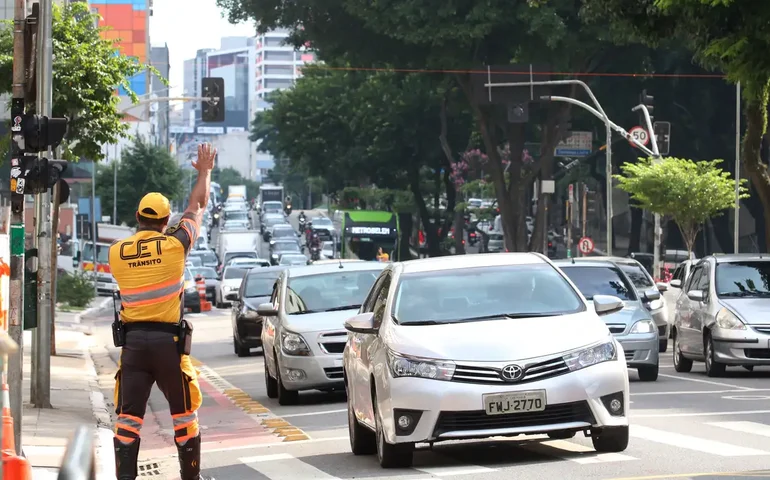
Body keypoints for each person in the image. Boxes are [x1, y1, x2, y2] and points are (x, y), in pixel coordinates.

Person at [108, 143, 217, 480]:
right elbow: (198, 205)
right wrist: (204, 172)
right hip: (168, 346)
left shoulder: (116, 253)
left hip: (134, 348)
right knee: (185, 418)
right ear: (166, 220)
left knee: (128, 421)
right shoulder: (175, 245)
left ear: (137, 217)